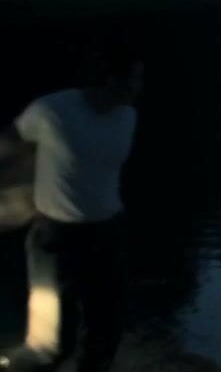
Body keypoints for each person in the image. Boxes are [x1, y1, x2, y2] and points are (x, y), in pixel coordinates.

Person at [0, 49, 143, 372]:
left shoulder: (127, 116)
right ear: (112, 80)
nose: (140, 87)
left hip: (107, 234)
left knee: (105, 332)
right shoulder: (53, 110)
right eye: (135, 78)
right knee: (49, 346)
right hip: (55, 238)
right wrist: (13, 195)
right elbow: (9, 144)